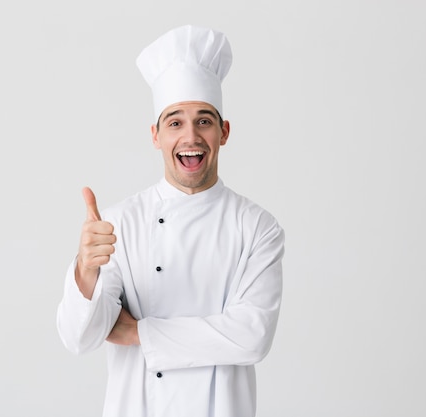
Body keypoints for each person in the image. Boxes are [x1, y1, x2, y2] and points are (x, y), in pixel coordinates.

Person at [57, 24, 285, 417]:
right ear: (155, 135)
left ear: (224, 132)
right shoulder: (119, 224)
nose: (191, 136)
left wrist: (139, 332)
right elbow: (80, 339)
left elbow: (252, 336)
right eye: (175, 122)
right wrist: (86, 271)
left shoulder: (257, 227)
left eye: (204, 121)